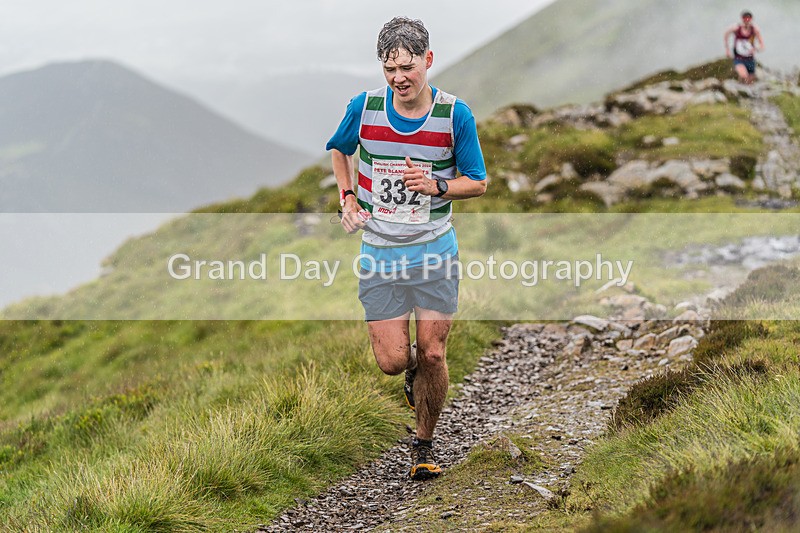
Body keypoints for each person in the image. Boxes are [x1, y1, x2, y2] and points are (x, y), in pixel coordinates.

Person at [326, 17, 487, 480]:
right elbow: (339, 149)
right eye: (389, 68)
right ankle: (412, 369)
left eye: (407, 67)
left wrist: (438, 186)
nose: (399, 77)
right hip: (380, 252)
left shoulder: (455, 115)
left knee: (434, 353)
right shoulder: (365, 107)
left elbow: (477, 183)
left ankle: (424, 445)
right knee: (393, 362)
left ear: (428, 60)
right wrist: (348, 197)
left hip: (435, 250)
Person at [724, 10, 765, 84]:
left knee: (750, 80)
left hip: (750, 58)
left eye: (748, 18)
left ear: (751, 19)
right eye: (745, 18)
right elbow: (726, 34)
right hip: (738, 58)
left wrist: (756, 49)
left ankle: (741, 88)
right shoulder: (736, 28)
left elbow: (762, 45)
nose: (747, 20)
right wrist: (727, 49)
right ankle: (740, 86)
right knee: (744, 76)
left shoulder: (755, 29)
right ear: (742, 18)